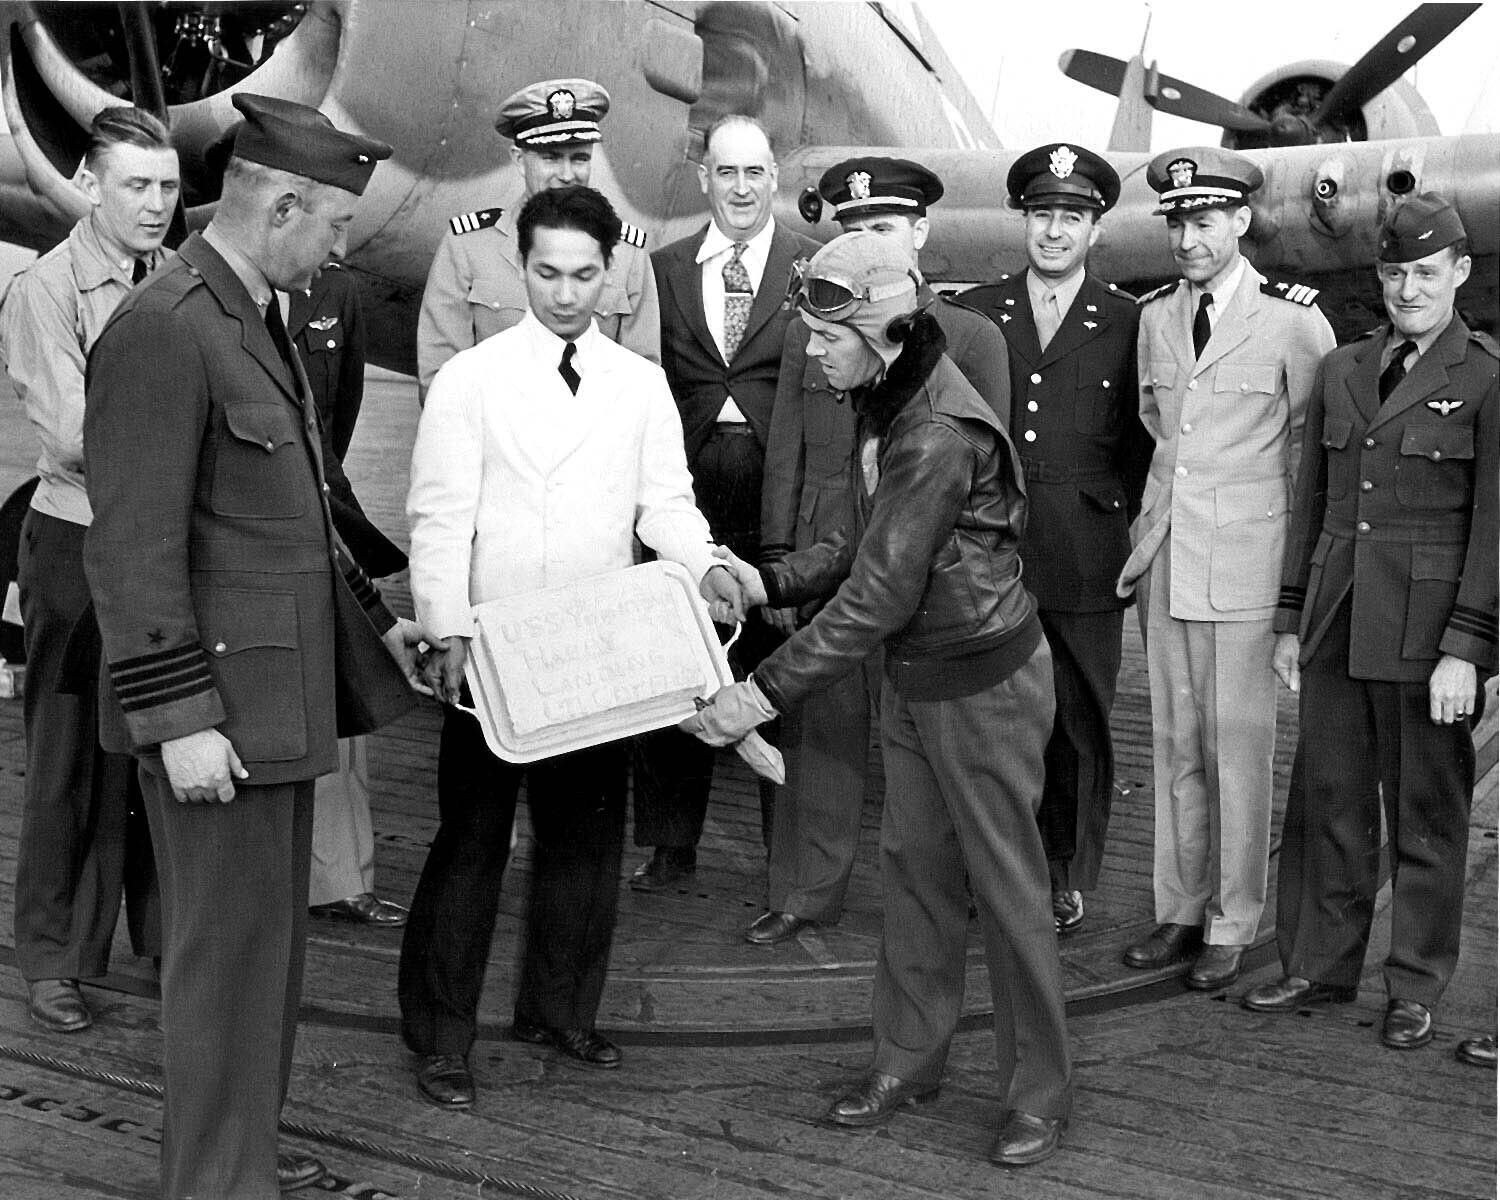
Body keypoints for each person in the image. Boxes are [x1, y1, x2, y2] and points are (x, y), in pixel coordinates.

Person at [83, 94, 421, 1198]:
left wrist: (379, 622)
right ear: (283, 203)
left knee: (264, 969)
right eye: (331, 227)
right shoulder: (167, 325)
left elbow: (291, 523)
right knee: (221, 971)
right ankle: (214, 1183)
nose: (338, 250)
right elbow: (131, 549)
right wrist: (178, 722)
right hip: (217, 719)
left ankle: (242, 1164)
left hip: (275, 709)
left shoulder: (253, 308)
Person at [688, 232, 1071, 1167]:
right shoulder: (888, 398)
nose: (811, 353)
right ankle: (907, 1060)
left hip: (980, 686)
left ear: (880, 327)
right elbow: (866, 541)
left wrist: (758, 694)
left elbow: (878, 594)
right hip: (921, 676)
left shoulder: (936, 433)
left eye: (825, 335)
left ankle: (1040, 1096)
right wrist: (768, 583)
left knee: (1009, 894)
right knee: (916, 878)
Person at [400, 184, 744, 1109]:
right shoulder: (471, 378)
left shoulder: (639, 385)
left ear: (612, 273)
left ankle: (559, 1010)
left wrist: (703, 563)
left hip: (595, 648)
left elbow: (664, 502)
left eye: (584, 275)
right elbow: (439, 517)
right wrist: (447, 628)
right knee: (471, 843)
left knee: (586, 841)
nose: (564, 293)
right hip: (495, 650)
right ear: (521, 268)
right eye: (547, 273)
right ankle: (439, 1036)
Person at [1243, 194, 1496, 1052]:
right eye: (1393, 273)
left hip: (1427, 637)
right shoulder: (1343, 367)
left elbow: (1494, 528)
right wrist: (1289, 619)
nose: (1409, 290)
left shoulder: (1487, 377)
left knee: (1426, 813)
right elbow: (1312, 503)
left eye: (1426, 273)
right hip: (1336, 621)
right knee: (1328, 802)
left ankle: (1416, 983)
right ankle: (1318, 964)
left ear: (1460, 273)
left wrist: (1467, 647)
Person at [748, 155, 1011, 945]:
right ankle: (803, 890)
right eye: (852, 229)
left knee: (927, 745)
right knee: (823, 729)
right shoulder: (817, 325)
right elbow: (788, 449)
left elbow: (980, 484)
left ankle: (936, 892)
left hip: (923, 565)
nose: (864, 245)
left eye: (884, 228)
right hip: (831, 543)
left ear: (922, 233)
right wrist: (775, 556)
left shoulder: (972, 337)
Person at [1116, 146, 1335, 992]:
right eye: (1177, 224)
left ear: (1241, 221)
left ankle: (1233, 920)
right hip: (1168, 558)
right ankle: (1180, 908)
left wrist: (1293, 585)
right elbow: (1158, 425)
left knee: (1236, 750)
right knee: (1175, 744)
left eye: (1205, 221)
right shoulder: (1155, 318)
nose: (1188, 240)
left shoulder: (1292, 321)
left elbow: (1311, 456)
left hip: (1248, 565)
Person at [0, 106, 173, 1035]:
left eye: (169, 187)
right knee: (65, 762)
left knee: (150, 743)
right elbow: (72, 437)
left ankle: (150, 937)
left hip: (153, 547)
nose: (156, 204)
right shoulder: (47, 289)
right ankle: (53, 960)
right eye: (136, 185)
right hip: (75, 549)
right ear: (89, 181)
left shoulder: (175, 279)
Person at [961, 143, 1153, 936]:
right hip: (993, 544)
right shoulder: (976, 310)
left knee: (1076, 720)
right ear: (1024, 220)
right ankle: (996, 869)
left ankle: (1066, 872)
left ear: (1095, 230)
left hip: (1084, 547)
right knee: (994, 720)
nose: (1053, 231)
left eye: (1070, 218)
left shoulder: (1128, 320)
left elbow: (1141, 444)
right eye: (1042, 215)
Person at [630, 114, 818, 893]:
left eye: (755, 174)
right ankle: (671, 842)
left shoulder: (813, 267)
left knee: (783, 677)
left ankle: (790, 855)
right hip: (688, 501)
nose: (741, 188)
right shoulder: (665, 271)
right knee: (679, 668)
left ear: (775, 179)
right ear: (704, 179)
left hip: (779, 502)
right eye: (726, 173)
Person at [286, 264, 412, 927]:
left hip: (321, 508)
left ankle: (340, 879)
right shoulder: (199, 283)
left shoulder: (333, 292)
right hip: (240, 520)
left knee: (341, 693)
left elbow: (339, 408)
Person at [416, 76, 658, 397]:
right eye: (551, 157)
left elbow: (643, 383)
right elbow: (441, 383)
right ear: (519, 159)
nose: (567, 174)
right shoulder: (468, 247)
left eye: (580, 158)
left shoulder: (628, 253)